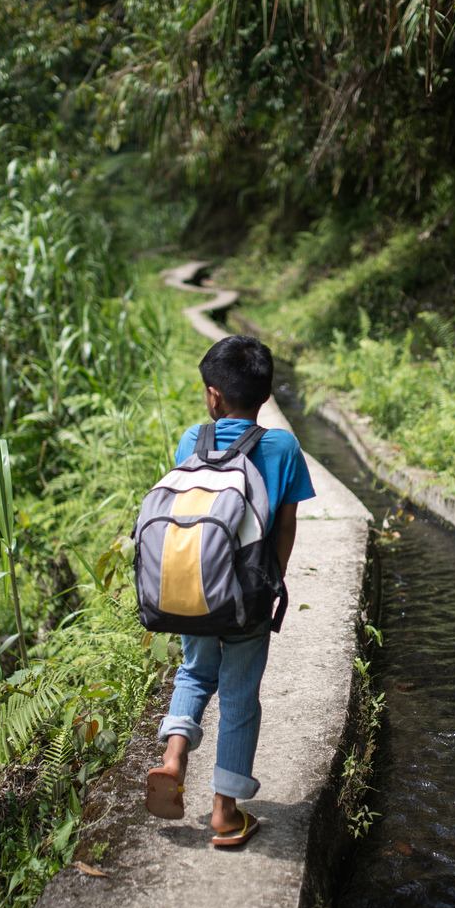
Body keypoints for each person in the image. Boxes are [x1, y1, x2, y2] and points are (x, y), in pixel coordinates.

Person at [143, 335, 315, 847]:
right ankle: (224, 812)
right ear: (264, 395)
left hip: (193, 589)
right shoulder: (282, 447)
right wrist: (273, 577)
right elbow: (286, 524)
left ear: (214, 396)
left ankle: (174, 756)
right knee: (240, 695)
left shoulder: (190, 441)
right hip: (247, 598)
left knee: (195, 671)